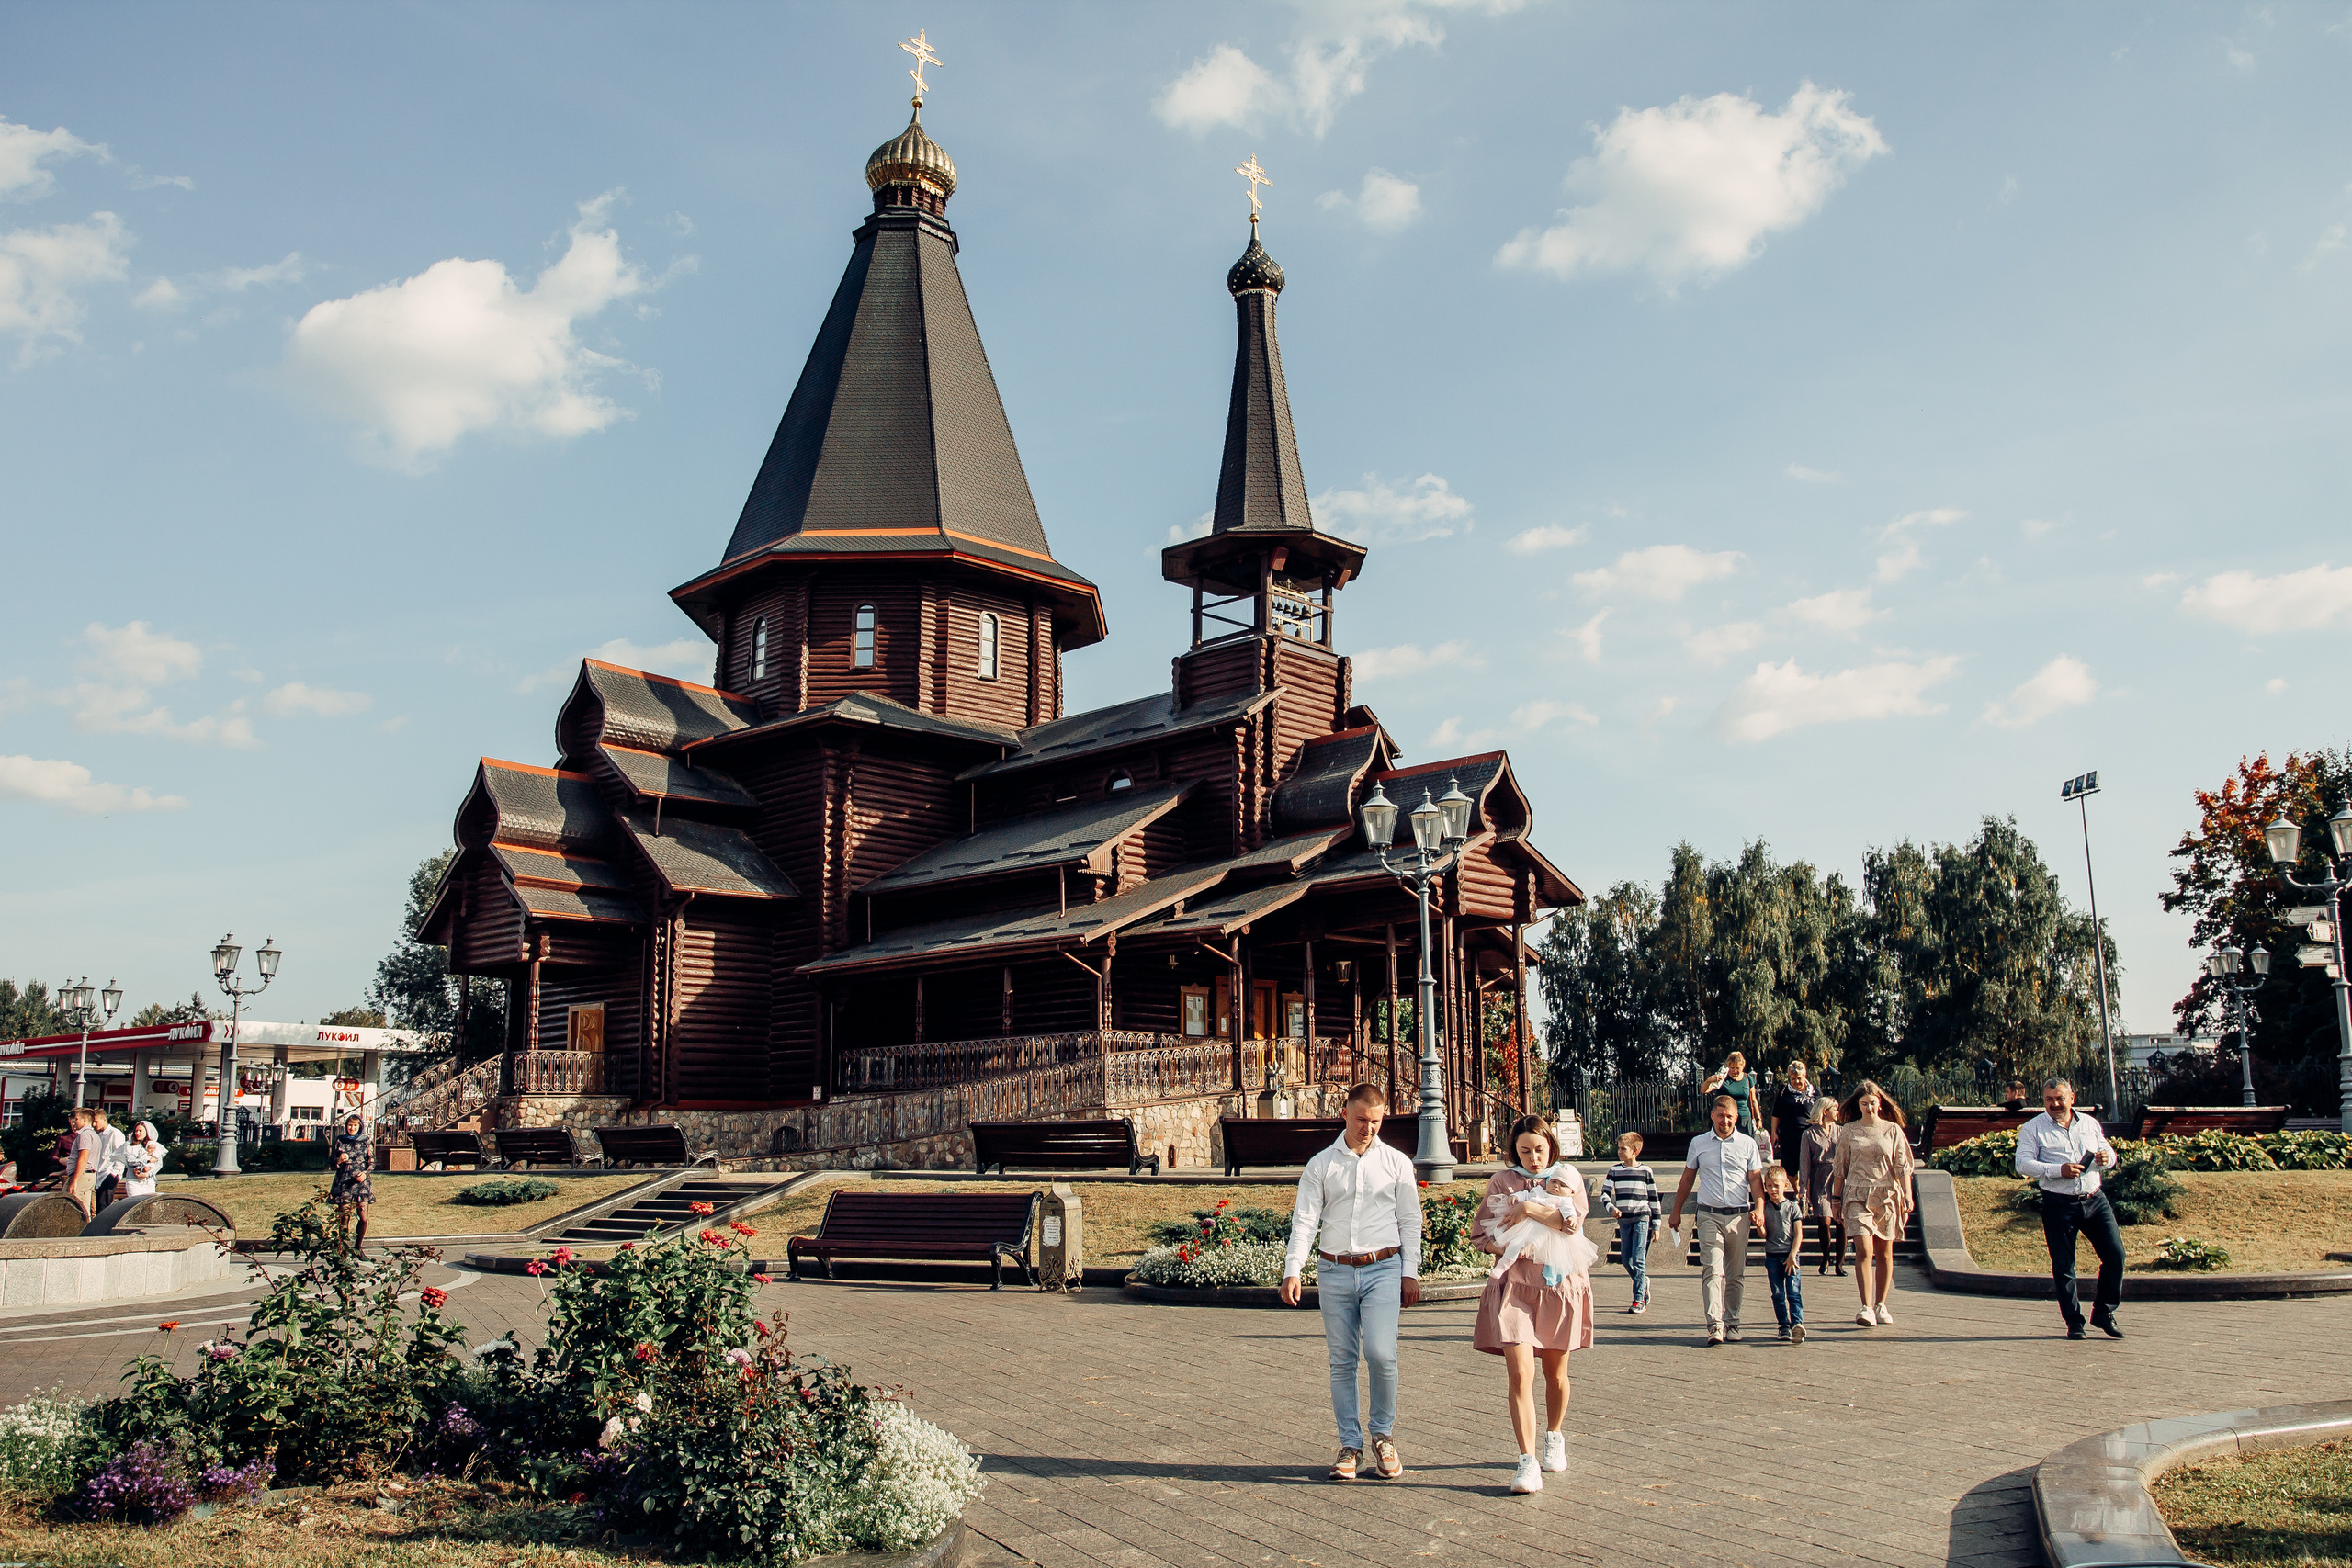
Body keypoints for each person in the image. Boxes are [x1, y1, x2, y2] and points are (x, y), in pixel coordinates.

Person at [1282, 1084, 1422, 1483]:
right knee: (1342, 1360)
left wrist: (1409, 1271)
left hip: (1383, 1268)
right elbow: (1306, 1220)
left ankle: (1383, 1436)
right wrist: (1294, 1269)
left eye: (1376, 1122)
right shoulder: (1321, 1165)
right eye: (1361, 1120)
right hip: (1334, 1270)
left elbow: (1410, 1221)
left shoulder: (1396, 1163)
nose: (1368, 1129)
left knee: (1381, 1353)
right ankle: (1350, 1444)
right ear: (1345, 1113)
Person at [1472, 1115, 1594, 1495]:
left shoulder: (1569, 1177)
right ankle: (1527, 1462)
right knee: (1520, 1374)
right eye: (1525, 1151)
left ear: (1551, 1146)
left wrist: (1526, 1210)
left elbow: (1570, 1222)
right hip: (1515, 1289)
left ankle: (1554, 1435)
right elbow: (1479, 1234)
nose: (1534, 1158)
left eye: (1540, 1150)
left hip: (1558, 1286)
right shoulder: (1502, 1181)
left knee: (1556, 1373)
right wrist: (1502, 1246)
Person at [2015, 1077, 2124, 1340]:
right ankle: (2074, 1322)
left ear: (2072, 1098)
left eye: (2060, 1098)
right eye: (2049, 1099)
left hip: (2094, 1199)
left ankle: (2104, 1313)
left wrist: (2107, 1159)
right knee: (2064, 1266)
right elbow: (2022, 1164)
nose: (2054, 1104)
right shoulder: (2033, 1129)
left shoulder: (2089, 1123)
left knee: (2115, 1255)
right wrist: (2057, 1171)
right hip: (2058, 1202)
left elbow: (2107, 1152)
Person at [1666, 1094, 1766, 1347]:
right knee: (1712, 1269)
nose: (1725, 1121)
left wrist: (1760, 1208)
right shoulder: (1699, 1143)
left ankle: (1733, 1322)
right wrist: (1676, 1211)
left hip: (1739, 1215)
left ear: (1736, 1118)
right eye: (1720, 1116)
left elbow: (1755, 1180)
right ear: (1712, 1116)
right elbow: (1688, 1177)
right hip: (1709, 1213)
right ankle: (1715, 1326)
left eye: (1730, 1116)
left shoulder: (1747, 1144)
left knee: (1736, 1273)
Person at [1830, 1080, 1914, 1326]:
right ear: (1858, 1105)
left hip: (1887, 1195)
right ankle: (1865, 1307)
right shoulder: (1849, 1131)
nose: (1869, 1107)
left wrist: (1907, 1195)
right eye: (1864, 1104)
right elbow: (1839, 1169)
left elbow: (1903, 1167)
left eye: (1873, 1103)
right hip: (1856, 1195)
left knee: (1884, 1253)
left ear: (1880, 1103)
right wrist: (1836, 1199)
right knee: (1864, 1250)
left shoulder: (1892, 1130)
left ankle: (1881, 1304)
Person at [1600, 1131, 1658, 1314]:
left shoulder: (1645, 1171)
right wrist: (1611, 1208)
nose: (1619, 1152)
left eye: (1623, 1149)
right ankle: (1643, 1281)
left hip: (1642, 1217)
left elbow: (1653, 1199)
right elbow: (1604, 1194)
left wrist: (1656, 1225)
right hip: (1624, 1219)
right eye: (1618, 1148)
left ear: (1634, 1151)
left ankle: (1638, 1299)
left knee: (1639, 1259)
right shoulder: (1615, 1171)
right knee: (1626, 1260)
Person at [1797, 1098, 1844, 1277]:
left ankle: (1839, 1264)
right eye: (1835, 1109)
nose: (1837, 1113)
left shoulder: (1841, 1132)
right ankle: (1826, 1256)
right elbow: (1805, 1164)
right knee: (1824, 1221)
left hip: (1839, 1179)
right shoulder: (1809, 1135)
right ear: (1825, 1111)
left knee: (1842, 1222)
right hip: (1820, 1180)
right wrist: (1803, 1188)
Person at [1758, 1165, 1805, 1344]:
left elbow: (1798, 1233)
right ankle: (1782, 1325)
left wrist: (1793, 1254)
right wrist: (1759, 1225)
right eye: (1769, 1186)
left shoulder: (1793, 1208)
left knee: (1793, 1292)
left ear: (1785, 1185)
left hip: (1790, 1255)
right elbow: (1764, 1235)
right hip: (1772, 1255)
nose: (1772, 1190)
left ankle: (1797, 1324)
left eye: (1776, 1186)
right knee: (1777, 1293)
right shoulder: (1766, 1208)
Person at [331, 1114, 376, 1248]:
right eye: (350, 1125)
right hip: (344, 1183)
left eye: (355, 1125)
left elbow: (372, 1162)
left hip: (361, 1184)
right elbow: (331, 1161)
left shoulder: (365, 1141)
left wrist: (365, 1173)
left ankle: (358, 1247)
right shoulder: (340, 1140)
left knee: (363, 1218)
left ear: (359, 1127)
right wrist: (339, 1160)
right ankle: (343, 1248)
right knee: (344, 1217)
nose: (352, 1128)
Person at [1701, 1053, 1761, 1145]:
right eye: (1732, 1068)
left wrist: (1758, 1119)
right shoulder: (1722, 1078)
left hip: (1744, 1119)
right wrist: (1709, 1080)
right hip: (1727, 1119)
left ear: (1743, 1066)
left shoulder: (1748, 1078)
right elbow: (1704, 1090)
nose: (1734, 1071)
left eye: (1737, 1068)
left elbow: (1753, 1100)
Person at [1770, 1061, 1819, 1168]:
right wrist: (1774, 1132)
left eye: (1799, 1078)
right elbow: (1776, 1113)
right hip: (1789, 1136)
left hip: (1809, 1136)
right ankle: (1797, 1185)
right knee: (1789, 1167)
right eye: (1793, 1079)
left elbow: (1822, 1112)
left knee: (1808, 1166)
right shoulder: (1784, 1091)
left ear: (1804, 1075)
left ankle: (1805, 1185)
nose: (1796, 1081)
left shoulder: (1815, 1092)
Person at [62, 1107, 100, 1221]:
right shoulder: (94, 1135)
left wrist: (74, 1181)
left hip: (82, 1176)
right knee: (84, 1208)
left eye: (77, 1119)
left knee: (68, 1205)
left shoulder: (85, 1135)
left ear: (84, 1119)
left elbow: (83, 1158)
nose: (75, 1123)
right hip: (89, 1175)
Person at [89, 1105, 129, 1212]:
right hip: (100, 1173)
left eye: (96, 1122)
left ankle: (104, 1228)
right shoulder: (100, 1135)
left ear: (104, 1119)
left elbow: (120, 1154)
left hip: (109, 1174)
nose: (93, 1125)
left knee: (104, 1206)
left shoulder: (115, 1134)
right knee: (98, 1207)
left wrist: (115, 1174)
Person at [122, 1121, 166, 1198]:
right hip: (133, 1180)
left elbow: (159, 1163)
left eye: (140, 1131)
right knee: (134, 1203)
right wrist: (146, 1161)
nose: (137, 1133)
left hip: (148, 1180)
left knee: (148, 1204)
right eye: (136, 1130)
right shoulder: (129, 1145)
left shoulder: (153, 1145)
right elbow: (130, 1161)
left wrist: (148, 1174)